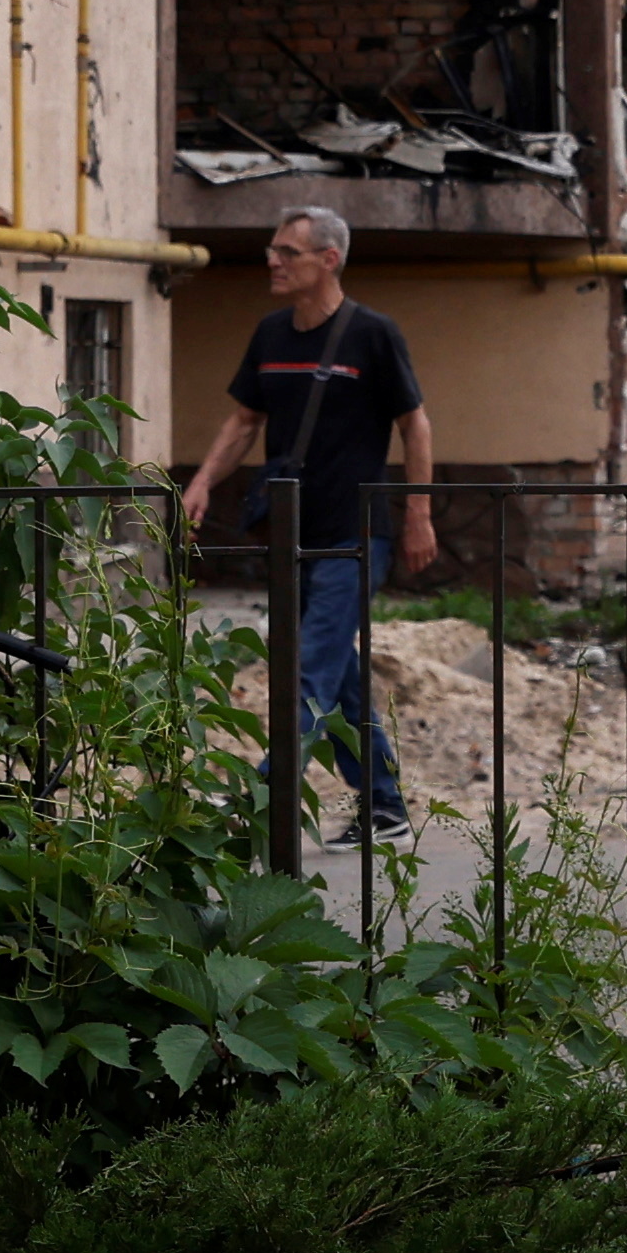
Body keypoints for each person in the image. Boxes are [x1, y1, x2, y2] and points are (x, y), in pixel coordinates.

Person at [178, 207, 434, 843]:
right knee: (336, 675)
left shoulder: (373, 334)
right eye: (273, 248)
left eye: (288, 251)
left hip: (354, 533)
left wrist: (419, 514)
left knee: (309, 672)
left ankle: (259, 807)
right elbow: (244, 421)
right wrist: (204, 479)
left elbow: (415, 425)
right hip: (293, 534)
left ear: (329, 259)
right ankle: (385, 805)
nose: (274, 260)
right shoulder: (271, 334)